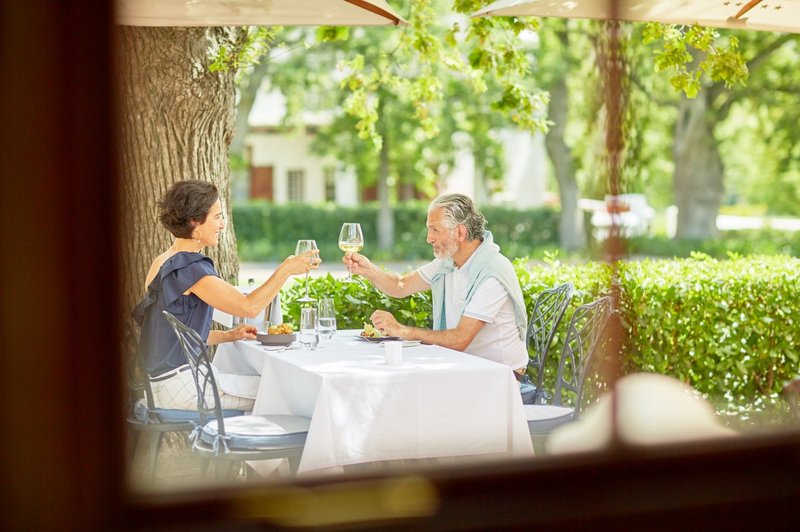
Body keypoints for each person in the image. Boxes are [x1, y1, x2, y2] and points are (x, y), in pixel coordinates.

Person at [133, 180, 318, 411]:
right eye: (217, 217)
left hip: (160, 387)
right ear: (194, 221)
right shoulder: (190, 268)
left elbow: (174, 335)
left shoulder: (162, 262)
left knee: (276, 387)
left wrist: (229, 336)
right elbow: (249, 307)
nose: (223, 224)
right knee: (287, 390)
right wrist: (286, 270)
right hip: (185, 387)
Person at [343, 193, 528, 375]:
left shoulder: (491, 271)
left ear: (460, 232)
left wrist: (402, 330)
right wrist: (368, 270)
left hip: (502, 377)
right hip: (466, 368)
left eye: (435, 230)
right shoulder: (447, 263)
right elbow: (401, 285)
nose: (428, 238)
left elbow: (459, 339)